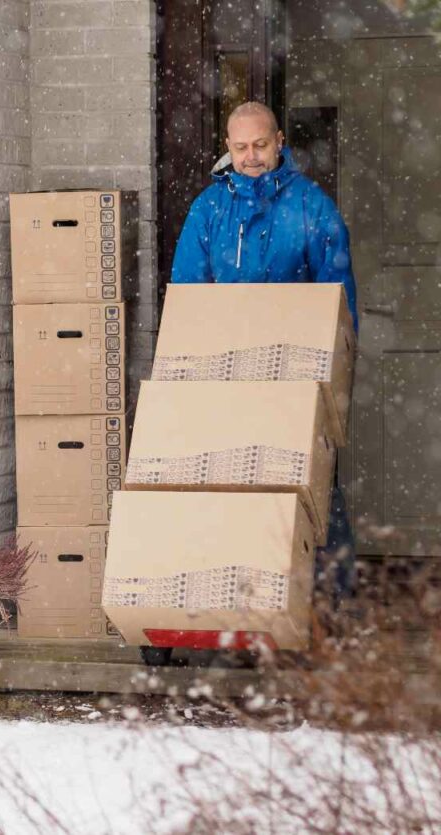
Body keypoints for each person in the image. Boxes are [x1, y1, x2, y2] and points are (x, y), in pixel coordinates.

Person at [170, 101, 357, 607]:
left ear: (279, 142)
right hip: (225, 381)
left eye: (259, 145)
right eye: (240, 147)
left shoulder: (311, 207)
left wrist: (330, 388)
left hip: (296, 381)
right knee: (230, 490)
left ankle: (329, 607)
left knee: (311, 492)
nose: (251, 156)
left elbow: (338, 306)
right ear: (227, 149)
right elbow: (187, 295)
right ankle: (234, 602)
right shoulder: (209, 210)